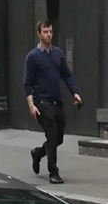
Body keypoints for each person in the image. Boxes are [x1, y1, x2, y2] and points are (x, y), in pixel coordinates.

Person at [23, 19, 81, 184]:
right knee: (52, 135)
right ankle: (53, 172)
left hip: (57, 103)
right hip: (41, 102)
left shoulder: (58, 54)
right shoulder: (32, 57)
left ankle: (38, 153)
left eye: (51, 31)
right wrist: (31, 105)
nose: (49, 35)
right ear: (39, 34)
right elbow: (27, 84)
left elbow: (67, 75)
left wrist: (75, 93)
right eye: (45, 32)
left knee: (58, 138)